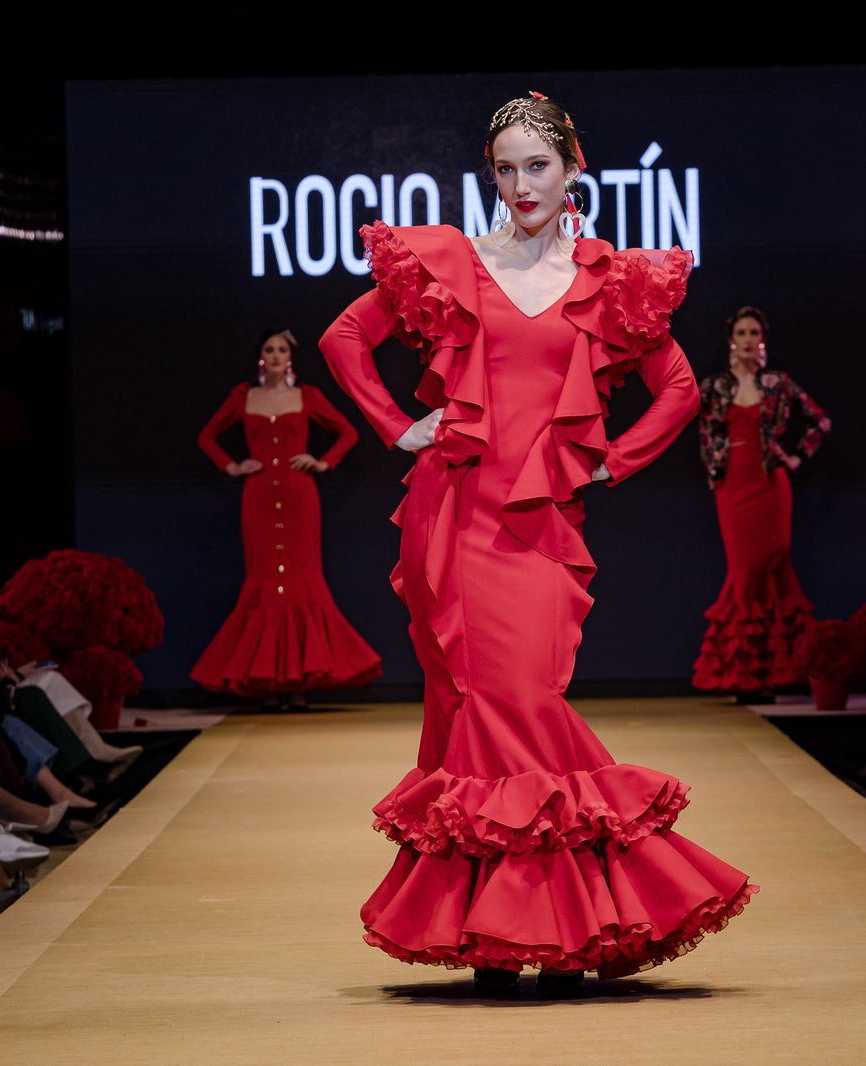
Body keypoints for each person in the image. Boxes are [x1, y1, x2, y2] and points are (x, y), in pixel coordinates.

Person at [318, 91, 756, 995]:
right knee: (491, 702)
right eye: (505, 168)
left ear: (572, 168)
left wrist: (612, 463)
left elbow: (677, 387)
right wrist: (398, 427)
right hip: (460, 516)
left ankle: (529, 922)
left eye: (537, 166)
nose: (520, 184)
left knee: (526, 700)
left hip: (546, 527)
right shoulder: (454, 263)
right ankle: (528, 927)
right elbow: (344, 337)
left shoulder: (608, 277)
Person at [192, 329, 383, 708]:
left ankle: (298, 682)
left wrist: (322, 461)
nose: (276, 355)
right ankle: (267, 681)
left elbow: (347, 432)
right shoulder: (244, 397)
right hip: (259, 497)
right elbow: (207, 436)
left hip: (299, 497)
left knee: (301, 580)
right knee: (264, 580)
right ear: (260, 356)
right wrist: (232, 466)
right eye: (269, 349)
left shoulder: (305, 396)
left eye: (282, 349)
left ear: (290, 357)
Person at [691, 305, 830, 701]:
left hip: (772, 484)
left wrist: (797, 456)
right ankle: (743, 675)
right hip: (733, 486)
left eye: (755, 332)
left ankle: (776, 675)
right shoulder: (714, 387)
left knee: (775, 567)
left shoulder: (778, 383)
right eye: (743, 332)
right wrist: (714, 468)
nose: (749, 339)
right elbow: (699, 431)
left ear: (762, 339)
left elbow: (820, 421)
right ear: (732, 339)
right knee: (745, 570)